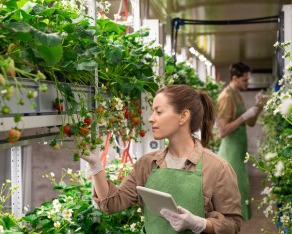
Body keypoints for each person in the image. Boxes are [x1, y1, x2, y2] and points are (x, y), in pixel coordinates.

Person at [81, 84, 242, 233]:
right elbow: (111, 204)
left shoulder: (217, 168)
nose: (151, 118)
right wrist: (96, 166)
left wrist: (198, 223)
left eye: (159, 112)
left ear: (183, 116)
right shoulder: (147, 164)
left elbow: (233, 225)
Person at [216, 62, 265, 221]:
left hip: (239, 152)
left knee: (240, 190)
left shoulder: (237, 94)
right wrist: (243, 116)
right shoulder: (226, 97)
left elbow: (250, 123)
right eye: (244, 80)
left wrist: (257, 108)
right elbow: (222, 131)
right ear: (234, 78)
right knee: (232, 195)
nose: (247, 83)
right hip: (230, 152)